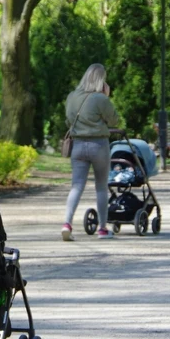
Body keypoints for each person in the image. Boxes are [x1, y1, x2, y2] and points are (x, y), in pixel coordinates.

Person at [61, 63, 121, 241]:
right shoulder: (100, 98)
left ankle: (67, 224)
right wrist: (106, 96)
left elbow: (68, 121)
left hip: (78, 146)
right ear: (101, 80)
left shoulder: (72, 96)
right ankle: (102, 229)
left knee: (76, 186)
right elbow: (114, 121)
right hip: (99, 145)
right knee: (101, 187)